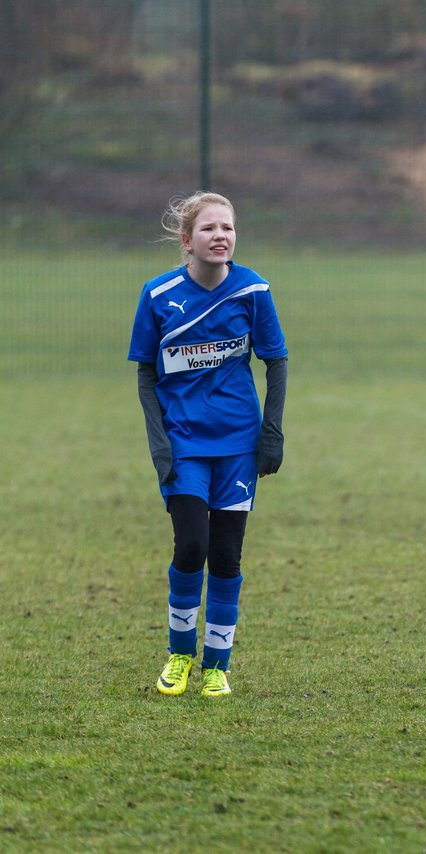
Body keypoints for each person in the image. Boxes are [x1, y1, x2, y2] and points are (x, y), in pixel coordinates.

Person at [128, 192, 288, 699]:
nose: (221, 236)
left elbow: (277, 361)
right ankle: (179, 655)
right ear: (187, 240)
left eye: (229, 228)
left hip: (239, 445)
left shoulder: (254, 290)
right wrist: (160, 448)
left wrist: (271, 432)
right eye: (209, 229)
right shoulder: (158, 296)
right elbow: (147, 373)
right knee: (192, 544)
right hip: (185, 445)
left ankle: (217, 664)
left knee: (226, 555)